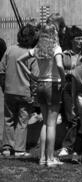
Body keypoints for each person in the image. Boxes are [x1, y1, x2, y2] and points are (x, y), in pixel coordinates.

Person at [17, 13, 66, 167]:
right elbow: (59, 65)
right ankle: (50, 159)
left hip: (40, 85)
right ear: (54, 33)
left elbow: (20, 60)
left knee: (45, 123)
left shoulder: (38, 48)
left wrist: (31, 74)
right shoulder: (56, 48)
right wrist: (63, 79)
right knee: (51, 124)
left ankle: (42, 158)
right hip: (53, 85)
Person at [0, 24, 39, 157]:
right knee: (23, 121)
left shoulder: (9, 50)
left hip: (9, 91)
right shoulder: (31, 53)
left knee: (8, 119)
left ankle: (6, 147)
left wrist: (4, 87)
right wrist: (34, 94)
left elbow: (1, 70)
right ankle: (19, 149)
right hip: (25, 92)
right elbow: (35, 77)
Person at [58, 25, 82, 157]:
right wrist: (68, 72)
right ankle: (68, 146)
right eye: (77, 39)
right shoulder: (65, 54)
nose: (80, 41)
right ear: (72, 40)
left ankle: (77, 146)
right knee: (71, 117)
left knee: (81, 117)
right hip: (68, 87)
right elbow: (60, 69)